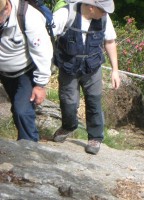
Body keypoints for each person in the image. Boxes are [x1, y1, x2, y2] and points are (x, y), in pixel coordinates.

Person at [51, 0, 120, 155]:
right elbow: (47, 35)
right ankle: (68, 126)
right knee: (68, 102)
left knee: (94, 101)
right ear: (91, 7)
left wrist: (115, 70)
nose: (105, 13)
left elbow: (110, 42)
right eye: (103, 10)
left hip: (92, 67)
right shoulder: (65, 14)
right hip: (68, 67)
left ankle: (95, 137)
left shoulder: (104, 18)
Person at [0, 0, 53, 142]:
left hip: (25, 72)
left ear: (7, 8)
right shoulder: (3, 14)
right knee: (16, 109)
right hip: (3, 71)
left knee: (22, 111)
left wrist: (40, 85)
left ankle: (29, 150)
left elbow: (43, 53)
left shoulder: (29, 16)